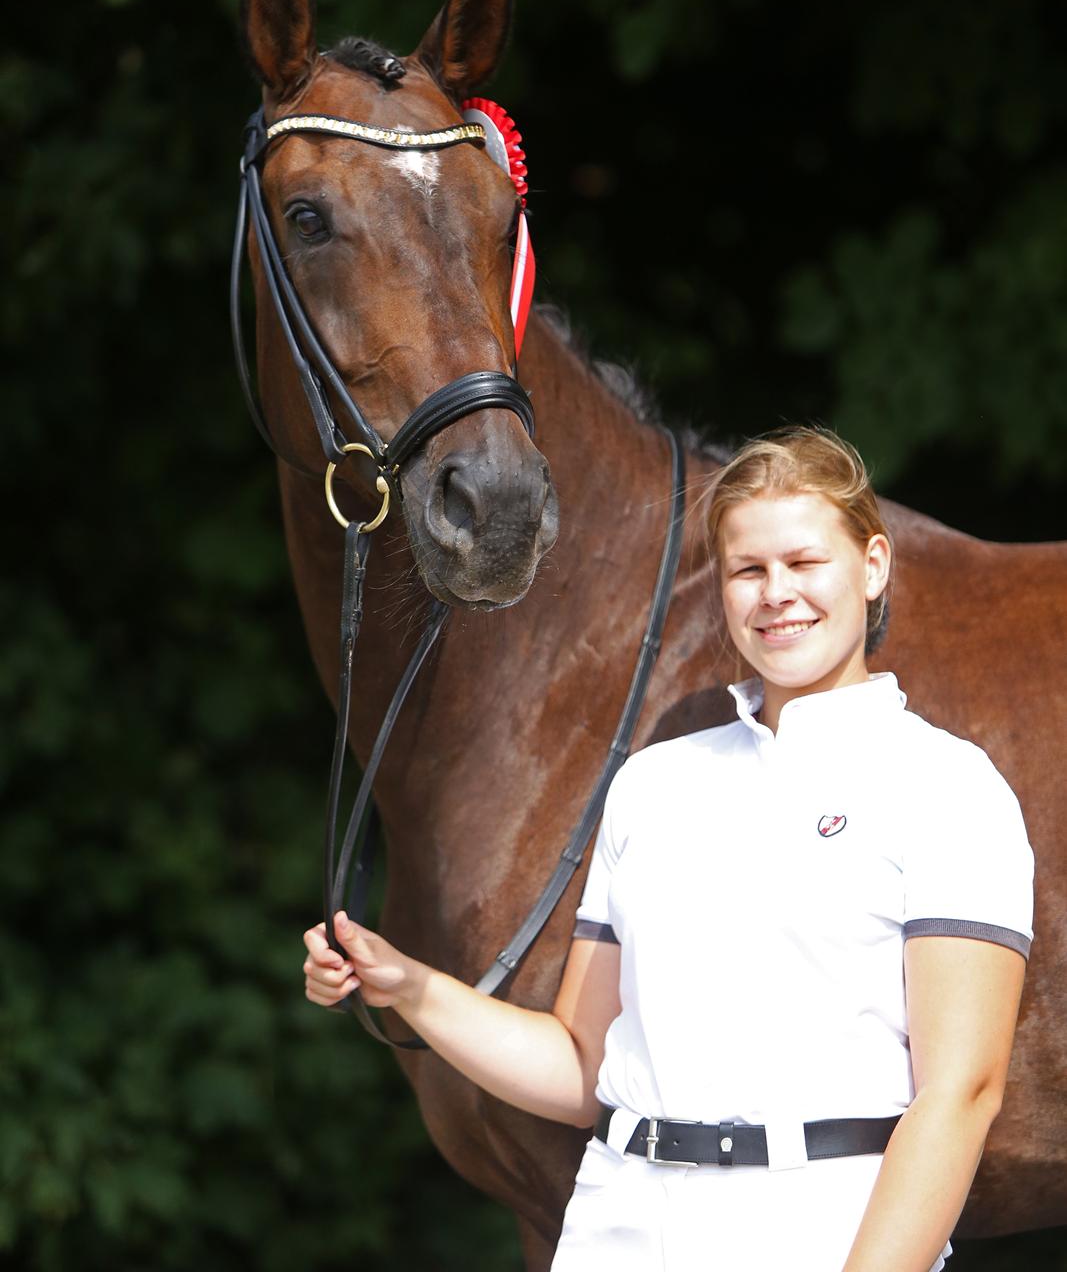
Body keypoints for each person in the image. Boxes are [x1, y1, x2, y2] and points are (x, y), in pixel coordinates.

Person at [301, 427, 1034, 1272]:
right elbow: (579, 1068)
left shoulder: (946, 786)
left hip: (817, 1232)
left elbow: (960, 1095)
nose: (775, 594)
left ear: (871, 566)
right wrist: (412, 987)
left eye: (804, 563)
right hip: (619, 1229)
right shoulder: (652, 784)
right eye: (747, 571)